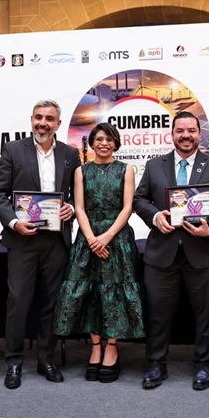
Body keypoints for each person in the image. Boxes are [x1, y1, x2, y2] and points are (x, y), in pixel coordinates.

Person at [133, 111, 209, 390]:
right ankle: (156, 364)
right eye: (180, 131)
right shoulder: (154, 165)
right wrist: (155, 216)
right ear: (172, 134)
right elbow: (139, 199)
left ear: (200, 134)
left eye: (191, 130)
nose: (186, 136)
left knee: (206, 314)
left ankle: (204, 366)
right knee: (157, 314)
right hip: (161, 253)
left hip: (204, 253)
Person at [0, 99, 81, 388]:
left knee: (51, 303)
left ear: (58, 123)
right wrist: (13, 222)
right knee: (18, 301)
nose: (43, 123)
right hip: (22, 239)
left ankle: (46, 359)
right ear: (31, 120)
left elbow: (76, 194)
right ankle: (14, 362)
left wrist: (72, 209)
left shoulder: (70, 154)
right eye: (38, 117)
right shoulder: (13, 150)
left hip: (56, 240)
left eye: (49, 119)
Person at [53, 123, 145, 383]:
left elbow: (127, 208)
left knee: (113, 293)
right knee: (90, 292)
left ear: (116, 143)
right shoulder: (81, 171)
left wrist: (106, 237)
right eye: (99, 139)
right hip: (88, 237)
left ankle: (112, 347)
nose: (104, 143)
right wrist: (92, 238)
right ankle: (95, 347)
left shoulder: (126, 169)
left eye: (109, 139)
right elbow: (79, 208)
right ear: (92, 143)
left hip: (117, 238)